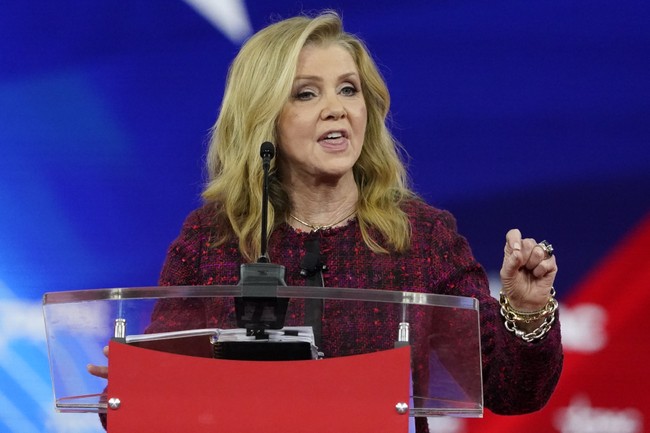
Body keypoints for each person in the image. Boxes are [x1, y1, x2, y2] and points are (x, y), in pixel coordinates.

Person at [90, 10, 562, 432]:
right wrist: (135, 384)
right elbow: (145, 401)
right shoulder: (213, 239)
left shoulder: (420, 238)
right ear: (264, 118)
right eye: (306, 93)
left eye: (348, 89)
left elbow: (512, 391)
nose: (336, 108)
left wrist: (526, 310)